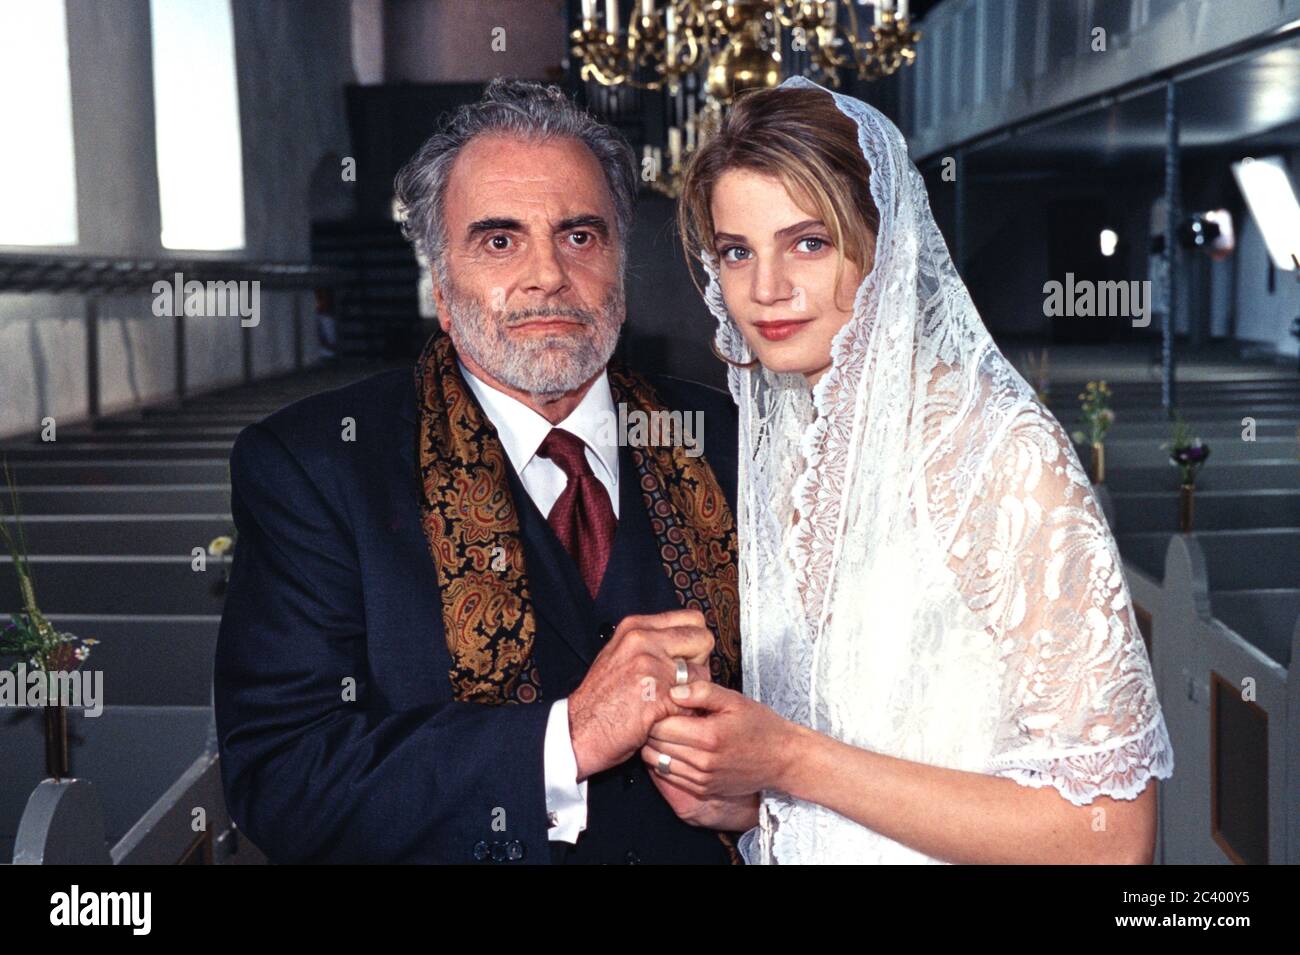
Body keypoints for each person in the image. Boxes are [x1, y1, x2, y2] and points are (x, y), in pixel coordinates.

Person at [214, 79, 750, 864]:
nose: (547, 276)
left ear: (619, 264)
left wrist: (764, 796)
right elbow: (284, 777)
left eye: (580, 236)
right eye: (499, 240)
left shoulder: (731, 437)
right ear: (438, 277)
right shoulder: (317, 468)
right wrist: (562, 740)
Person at [644, 76, 1175, 864]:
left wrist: (790, 760)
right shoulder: (780, 440)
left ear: (883, 243)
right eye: (736, 251)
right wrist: (747, 798)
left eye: (809, 243)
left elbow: (1112, 836)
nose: (766, 289)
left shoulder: (999, 452)